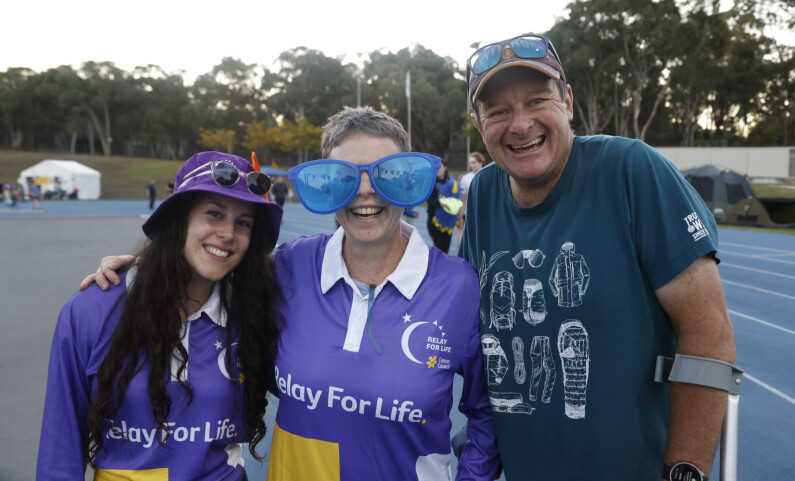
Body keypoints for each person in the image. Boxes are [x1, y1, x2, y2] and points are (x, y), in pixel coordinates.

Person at [82, 107, 499, 480]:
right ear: (327, 187)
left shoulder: (460, 287)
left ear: (407, 179)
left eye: (384, 173)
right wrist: (140, 267)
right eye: (344, 177)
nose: (365, 191)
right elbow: (208, 265)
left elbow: (488, 415)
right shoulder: (286, 267)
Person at [459, 34, 736, 479]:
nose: (521, 124)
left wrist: (685, 471)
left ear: (567, 102)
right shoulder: (484, 194)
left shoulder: (631, 169)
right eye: (498, 111)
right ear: (479, 124)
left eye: (536, 101)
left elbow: (709, 332)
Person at [38, 151, 283, 480]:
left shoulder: (253, 314)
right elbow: (60, 446)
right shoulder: (92, 310)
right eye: (214, 213)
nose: (228, 233)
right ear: (179, 219)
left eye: (243, 223)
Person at [426, 159, 462, 254]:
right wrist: (441, 204)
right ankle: (435, 267)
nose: (438, 169)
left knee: (446, 249)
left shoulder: (452, 183)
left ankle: (442, 267)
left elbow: (457, 198)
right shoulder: (431, 182)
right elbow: (428, 199)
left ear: (445, 168)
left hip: (449, 220)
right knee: (439, 248)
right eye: (436, 167)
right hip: (434, 220)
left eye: (440, 166)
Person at [457, 152, 487, 236]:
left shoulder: (489, 175)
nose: (471, 165)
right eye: (470, 163)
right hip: (469, 214)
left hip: (486, 214)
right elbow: (463, 198)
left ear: (481, 162)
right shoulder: (466, 178)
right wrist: (460, 215)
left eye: (473, 162)